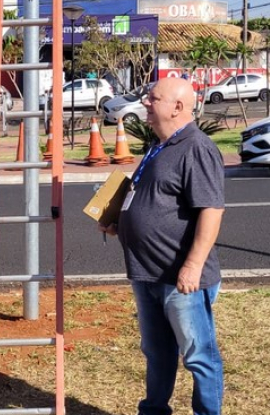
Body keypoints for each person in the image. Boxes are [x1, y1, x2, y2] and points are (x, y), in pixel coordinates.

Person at [100, 76, 226, 415]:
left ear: (178, 107)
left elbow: (211, 210)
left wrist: (193, 265)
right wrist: (118, 221)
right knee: (157, 352)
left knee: (199, 356)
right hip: (147, 274)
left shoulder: (196, 147)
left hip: (179, 278)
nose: (145, 103)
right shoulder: (160, 145)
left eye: (153, 98)